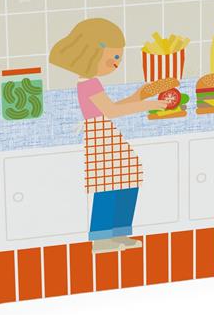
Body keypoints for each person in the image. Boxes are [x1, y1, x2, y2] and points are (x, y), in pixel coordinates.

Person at [49, 18, 168, 253]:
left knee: (127, 176)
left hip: (103, 132)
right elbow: (112, 111)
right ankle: (102, 238)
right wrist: (149, 105)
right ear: (92, 53)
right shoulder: (89, 84)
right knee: (108, 184)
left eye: (118, 58)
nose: (116, 64)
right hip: (100, 135)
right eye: (113, 57)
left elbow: (109, 108)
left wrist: (137, 97)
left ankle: (118, 232)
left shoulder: (91, 82)